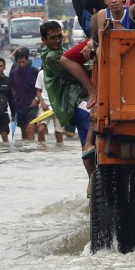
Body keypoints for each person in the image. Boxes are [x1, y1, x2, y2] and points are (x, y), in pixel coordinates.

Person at [41, 20, 97, 175]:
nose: (57, 40)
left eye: (59, 36)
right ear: (44, 41)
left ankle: (92, 181)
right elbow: (79, 72)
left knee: (89, 142)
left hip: (80, 100)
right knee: (89, 144)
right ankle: (92, 179)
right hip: (74, 103)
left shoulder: (61, 52)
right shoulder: (52, 57)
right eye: (53, 38)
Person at [10, 47, 40, 140]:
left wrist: (36, 99)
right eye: (19, 62)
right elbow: (12, 88)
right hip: (19, 106)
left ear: (27, 60)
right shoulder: (13, 73)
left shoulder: (34, 71)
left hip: (32, 105)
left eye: (23, 62)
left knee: (30, 127)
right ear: (17, 62)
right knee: (23, 131)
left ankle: (33, 152)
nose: (21, 64)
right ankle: (25, 152)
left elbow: (40, 87)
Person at [34, 65, 64, 144]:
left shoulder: (60, 73)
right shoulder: (41, 73)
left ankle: (60, 151)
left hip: (57, 106)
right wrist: (42, 103)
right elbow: (38, 91)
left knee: (59, 132)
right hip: (44, 105)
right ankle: (42, 150)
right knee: (41, 129)